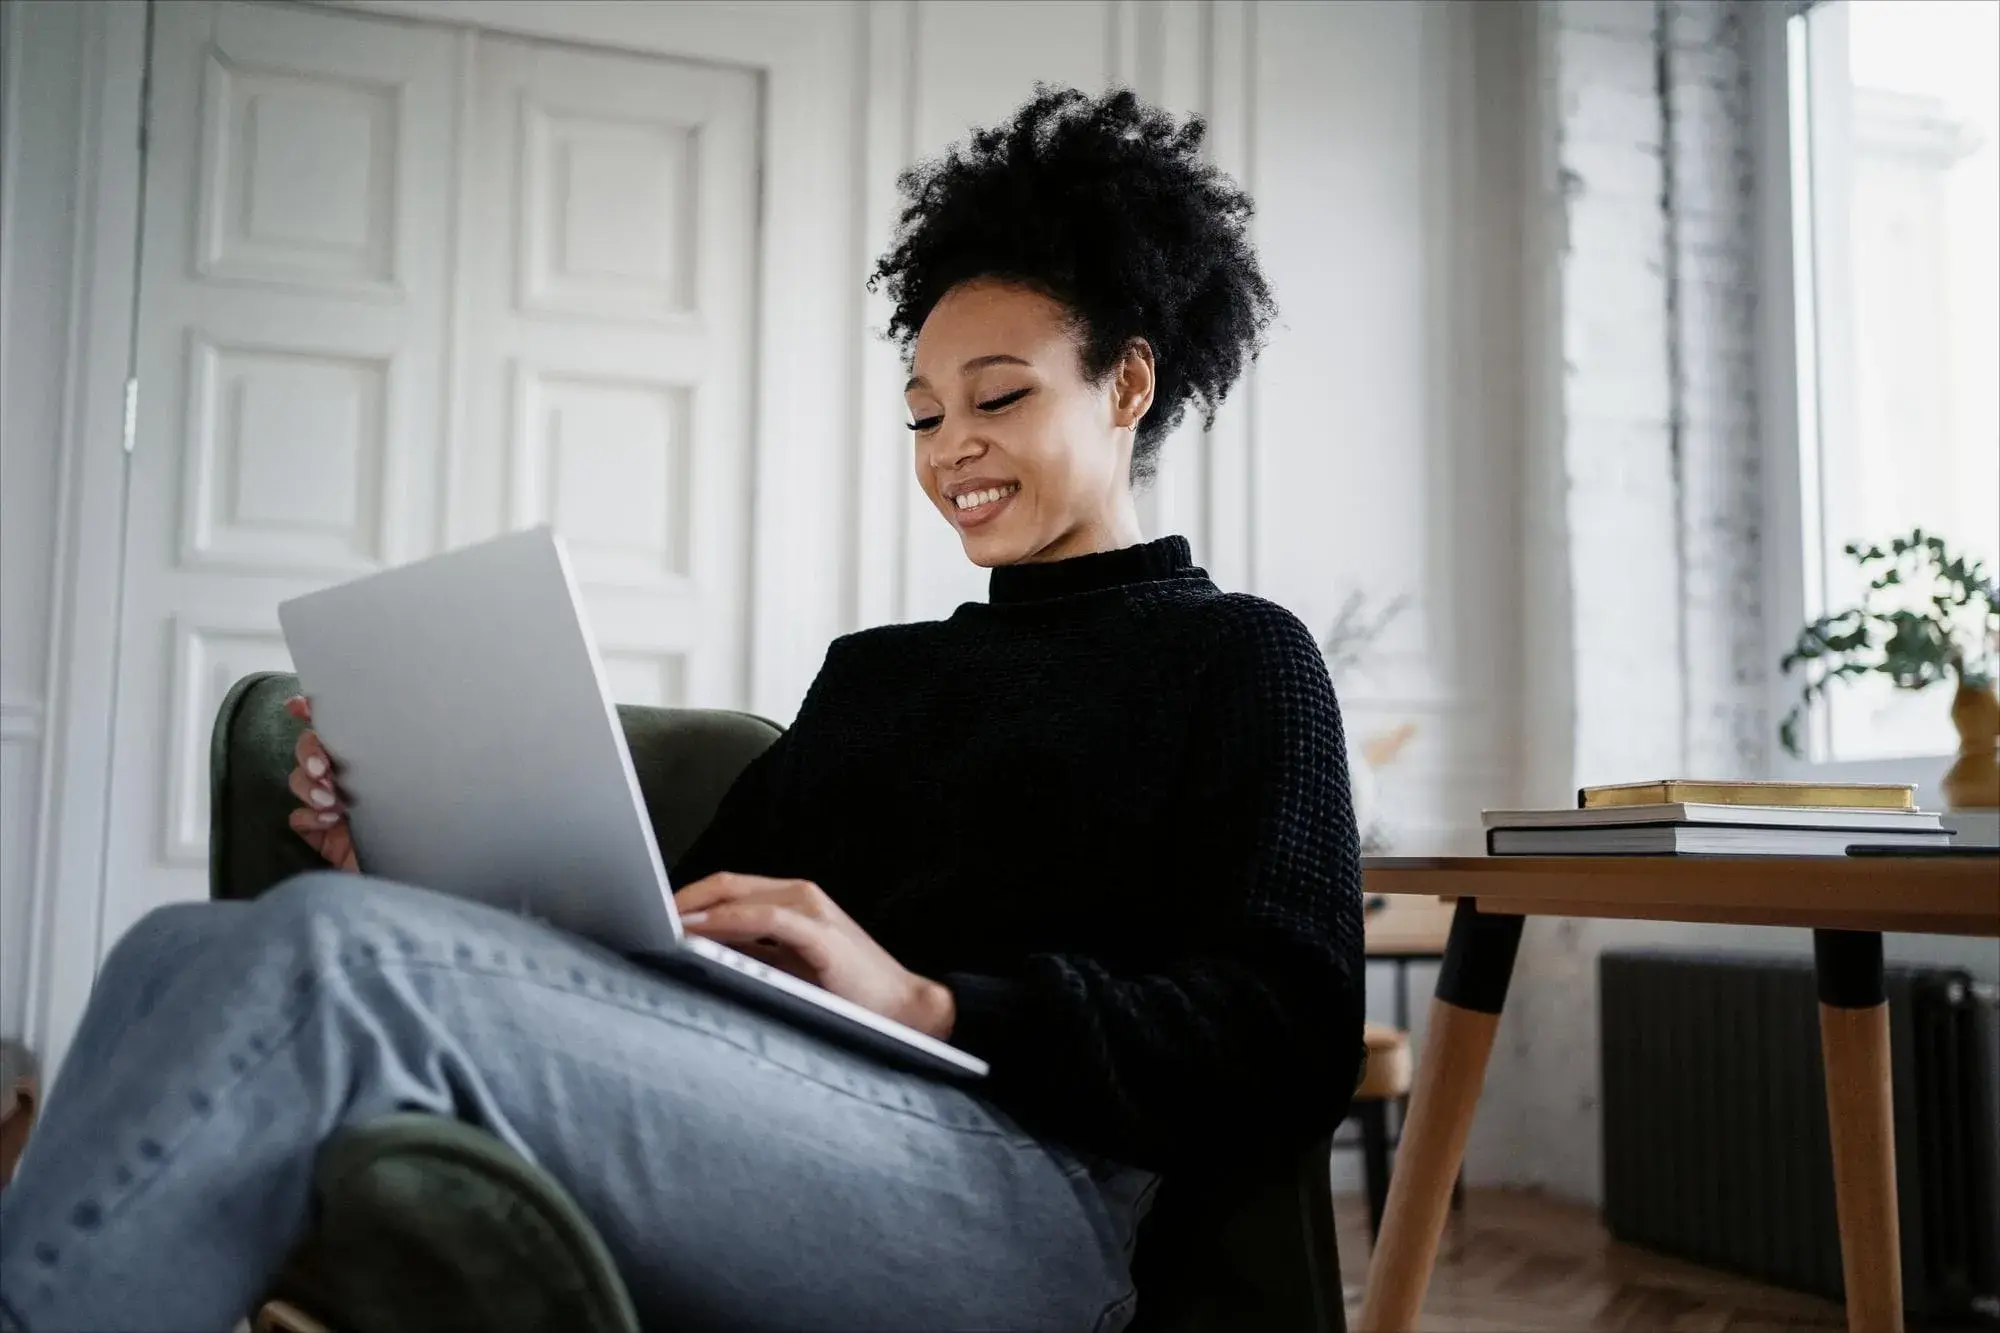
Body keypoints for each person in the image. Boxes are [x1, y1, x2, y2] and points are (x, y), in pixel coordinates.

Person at [0, 86, 1363, 1333]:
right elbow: (667, 930)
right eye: (923, 412)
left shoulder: (1238, 660)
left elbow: (1288, 1035)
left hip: (1027, 1189)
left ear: (1128, 383)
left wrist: (940, 1003)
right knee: (183, 945)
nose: (952, 447)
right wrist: (401, 861)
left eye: (999, 397)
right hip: (774, 1103)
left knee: (322, 963)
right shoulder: (878, 675)